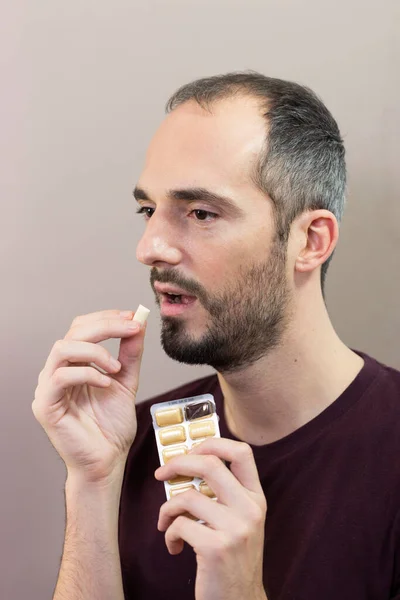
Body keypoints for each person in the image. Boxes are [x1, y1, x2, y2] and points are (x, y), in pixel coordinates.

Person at [32, 71, 400, 600]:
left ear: (310, 241)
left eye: (201, 213)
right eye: (148, 210)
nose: (150, 246)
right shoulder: (129, 445)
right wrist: (91, 485)